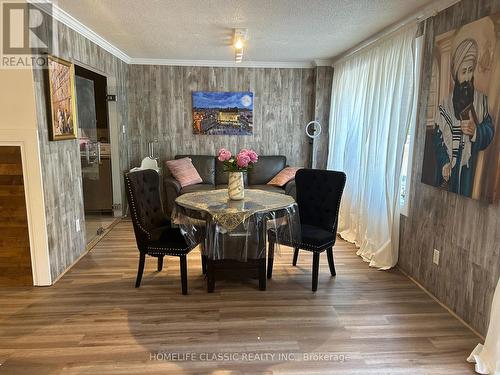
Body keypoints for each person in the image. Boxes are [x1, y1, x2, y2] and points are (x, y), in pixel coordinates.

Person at [434, 38, 495, 197]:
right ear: (455, 74)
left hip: (471, 172)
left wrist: (476, 131)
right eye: (463, 72)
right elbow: (438, 139)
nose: (468, 77)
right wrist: (444, 162)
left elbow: (489, 131)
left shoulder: (481, 101)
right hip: (450, 175)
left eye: (470, 70)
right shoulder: (444, 106)